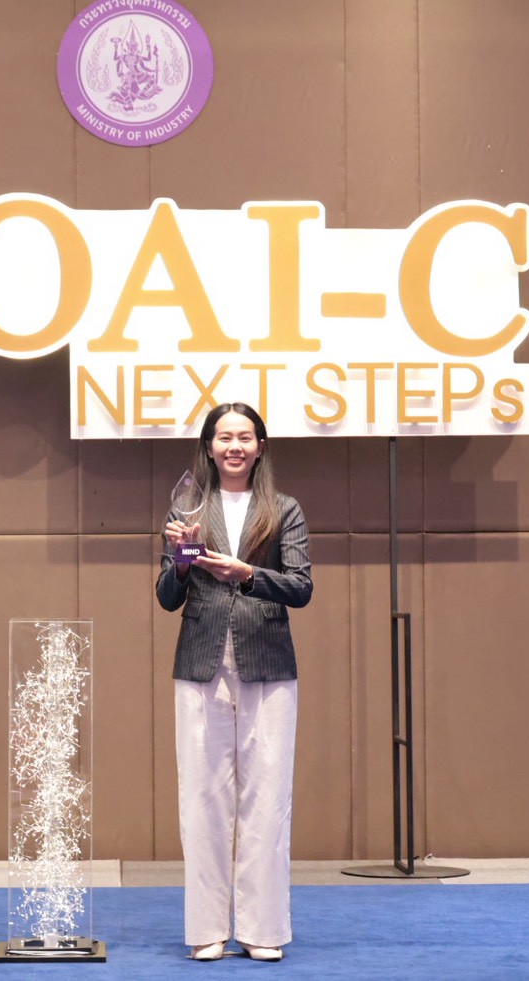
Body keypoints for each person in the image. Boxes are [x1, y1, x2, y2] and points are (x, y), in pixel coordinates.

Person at [157, 401, 313, 963]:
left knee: (267, 799)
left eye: (245, 437)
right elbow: (167, 597)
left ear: (260, 447)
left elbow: (300, 587)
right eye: (224, 437)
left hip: (267, 662)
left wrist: (246, 574)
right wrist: (181, 563)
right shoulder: (187, 507)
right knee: (202, 799)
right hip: (201, 664)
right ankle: (206, 929)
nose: (234, 447)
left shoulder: (284, 509)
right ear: (209, 446)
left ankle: (262, 929)